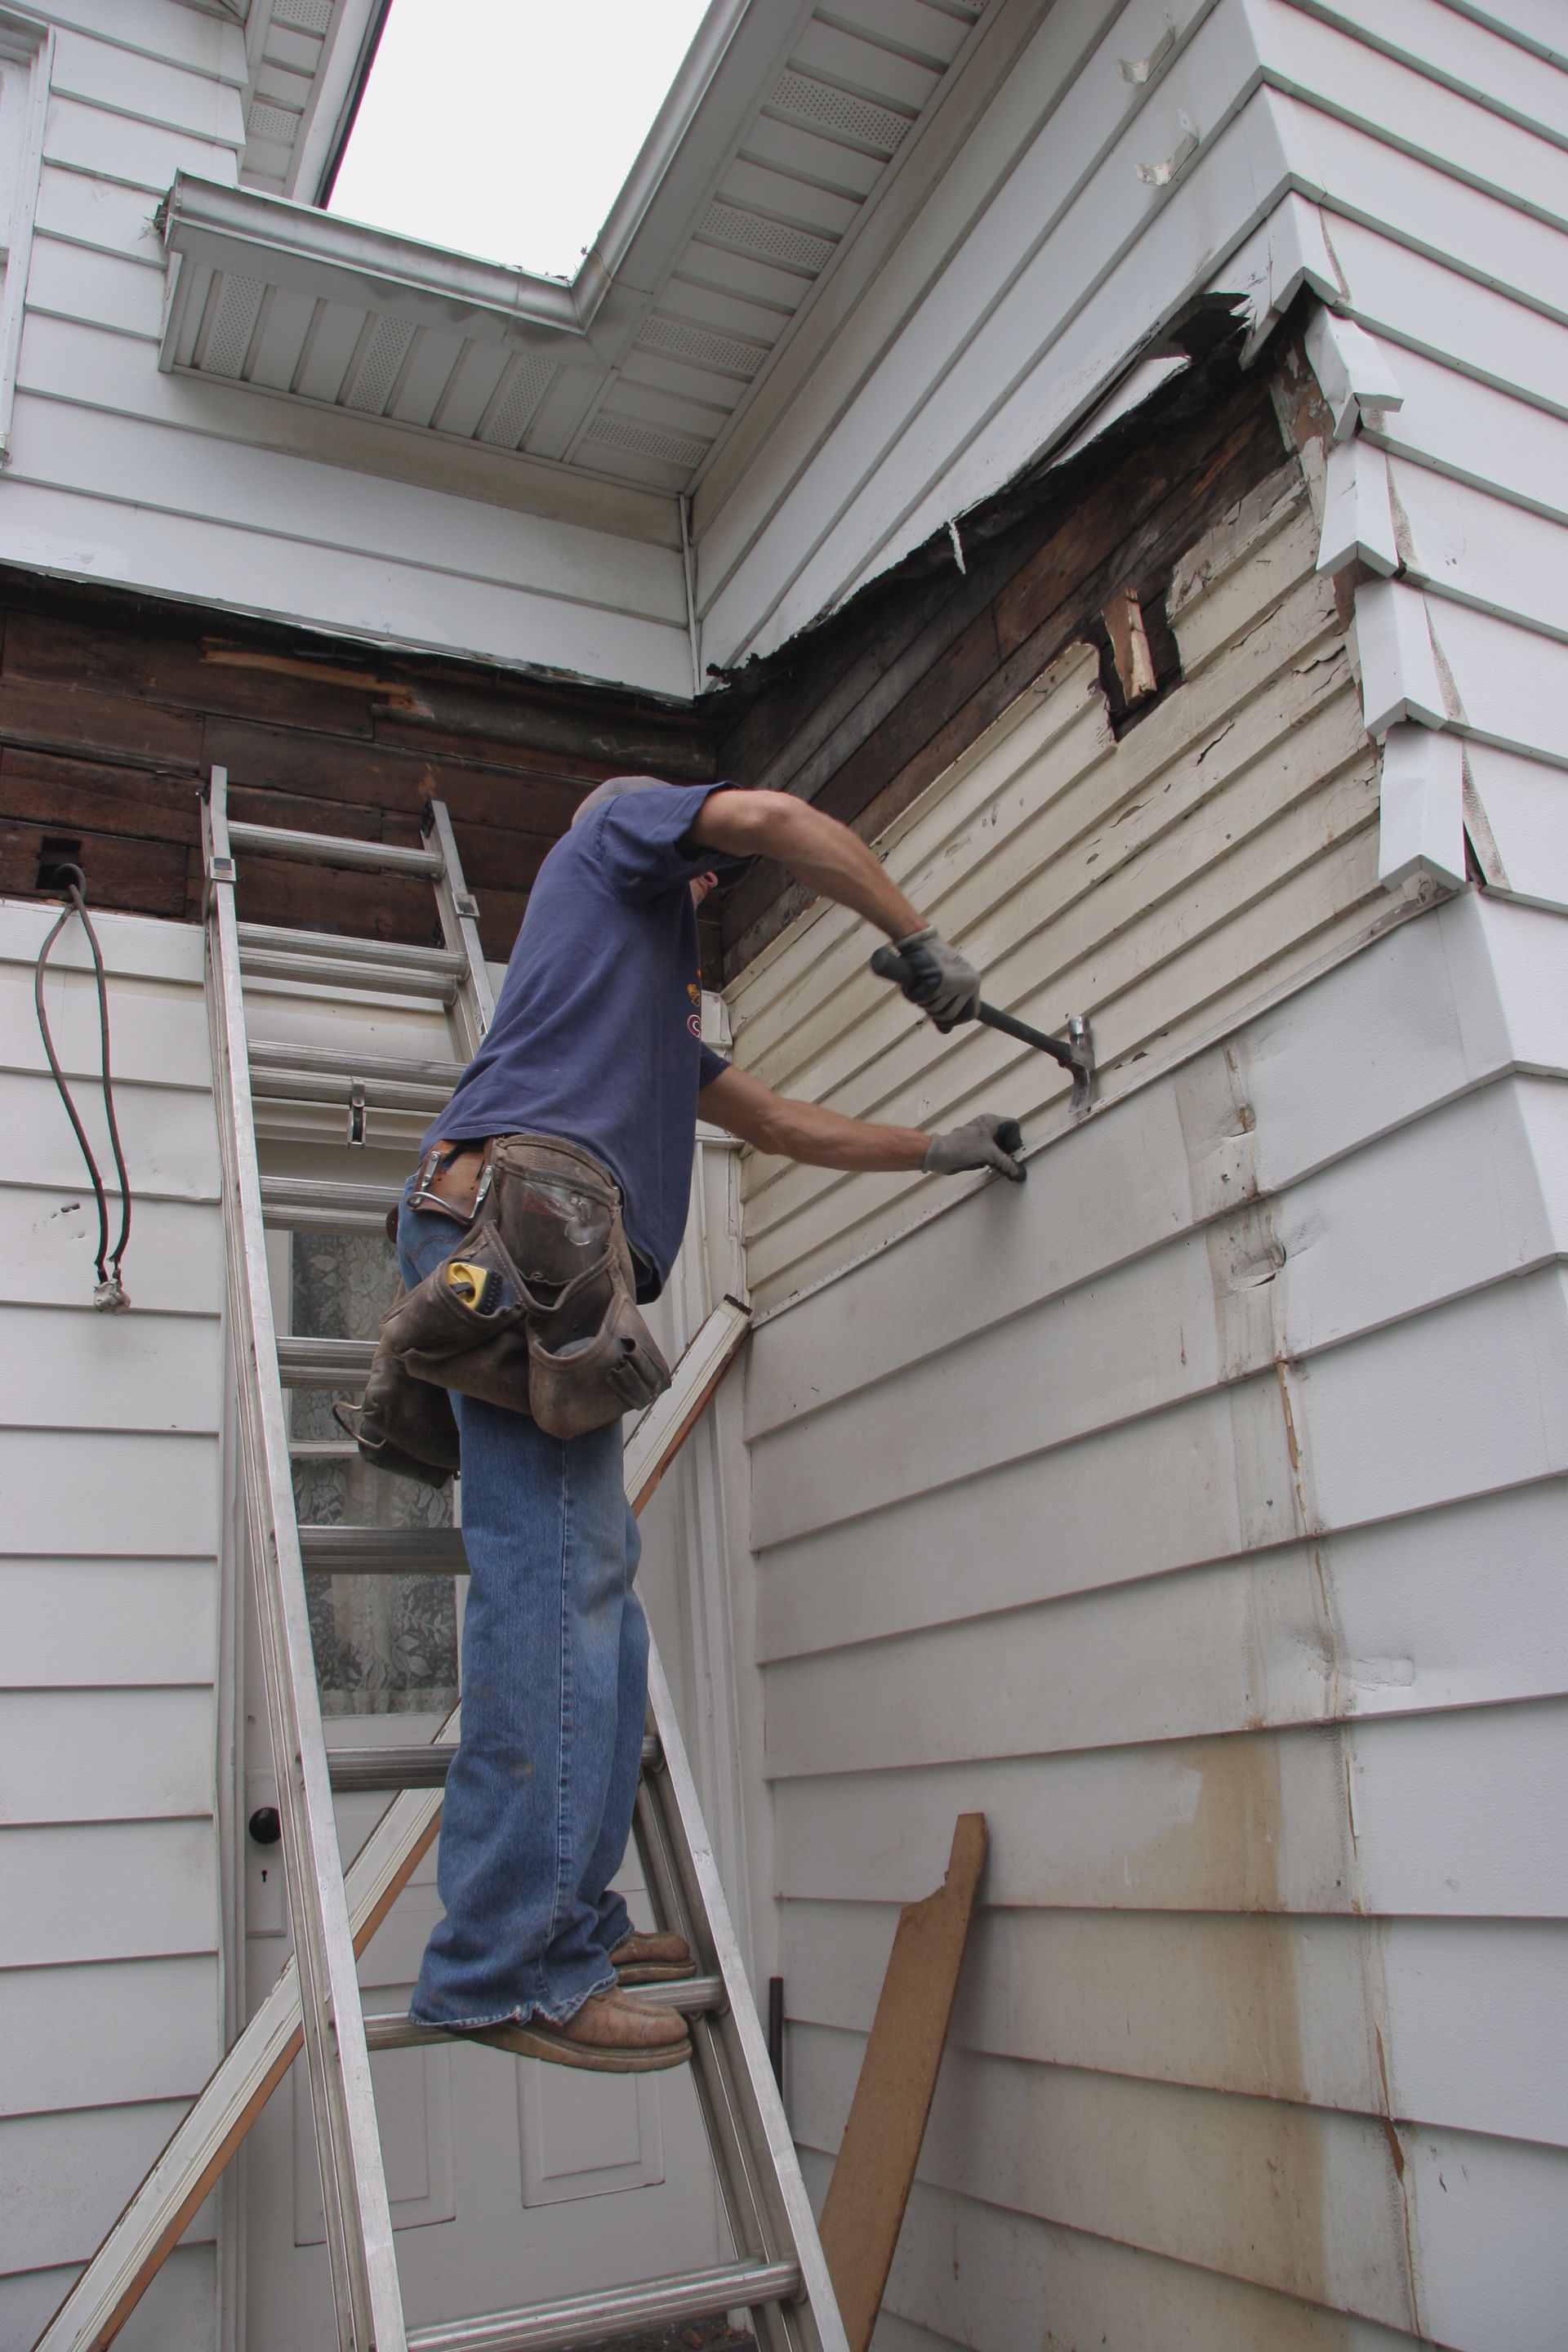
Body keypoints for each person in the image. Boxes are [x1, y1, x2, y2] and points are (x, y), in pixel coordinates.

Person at [394, 777, 1023, 2074]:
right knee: (551, 1588)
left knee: (597, 1600)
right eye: (702, 871)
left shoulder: (651, 1017)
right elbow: (780, 820)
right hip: (518, 1234)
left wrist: (940, 1150)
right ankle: (502, 1963)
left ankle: (569, 1911)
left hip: (550, 1247)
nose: (706, 887)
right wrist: (915, 941)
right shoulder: (613, 833)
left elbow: (782, 1124)